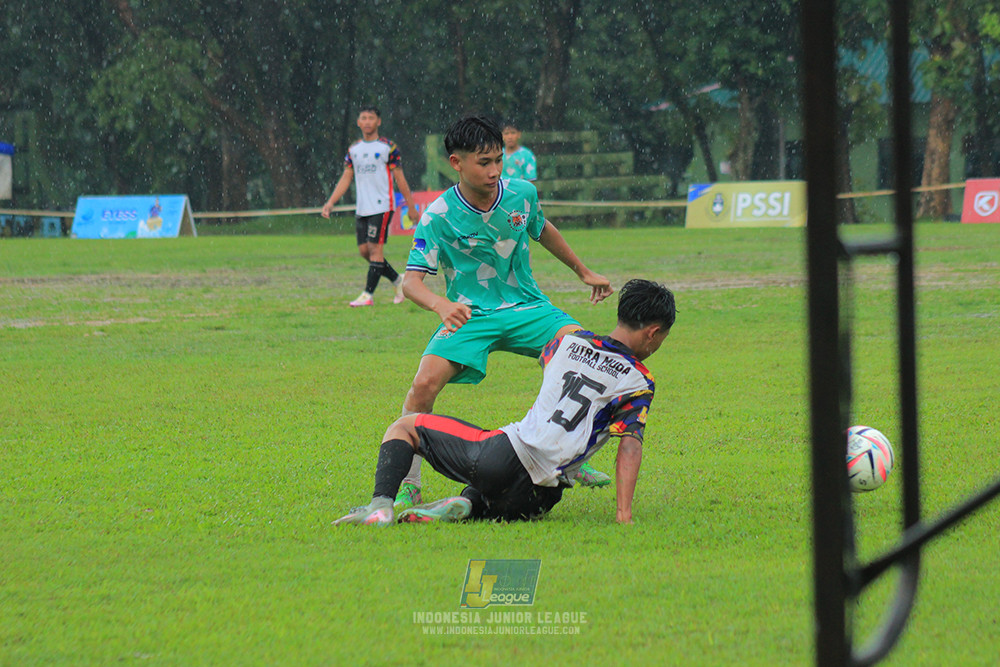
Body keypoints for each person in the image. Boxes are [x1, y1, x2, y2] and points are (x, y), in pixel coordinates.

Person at [392, 114, 613, 512]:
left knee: (582, 352)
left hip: (528, 306)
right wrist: (441, 304)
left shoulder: (522, 193)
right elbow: (410, 282)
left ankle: (571, 457)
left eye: (498, 160)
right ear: (456, 163)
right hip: (469, 314)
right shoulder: (439, 215)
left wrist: (583, 271)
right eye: (484, 162)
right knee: (423, 385)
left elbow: (541, 229)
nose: (495, 170)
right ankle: (409, 484)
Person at [334, 279, 676, 526]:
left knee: (405, 426)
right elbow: (629, 446)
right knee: (494, 491)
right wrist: (623, 515)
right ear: (653, 332)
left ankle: (380, 506)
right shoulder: (639, 381)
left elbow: (553, 367)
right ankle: (470, 504)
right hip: (543, 497)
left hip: (503, 458)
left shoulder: (567, 344)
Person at [321, 106, 419, 307]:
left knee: (375, 250)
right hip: (362, 208)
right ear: (358, 122)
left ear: (378, 122)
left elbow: (400, 178)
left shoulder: (388, 148)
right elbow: (346, 177)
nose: (367, 122)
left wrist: (411, 207)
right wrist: (330, 203)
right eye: (363, 118)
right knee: (365, 252)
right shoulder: (354, 150)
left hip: (382, 206)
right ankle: (398, 280)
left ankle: (368, 295)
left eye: (371, 118)